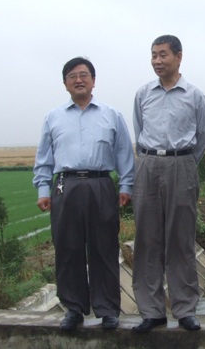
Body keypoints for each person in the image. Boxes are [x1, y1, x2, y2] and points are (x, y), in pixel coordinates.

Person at [33, 57, 135, 331]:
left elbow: (124, 153)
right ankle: (74, 309)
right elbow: (44, 157)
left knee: (104, 247)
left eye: (84, 75)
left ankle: (108, 309)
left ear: (93, 80)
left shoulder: (111, 115)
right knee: (68, 249)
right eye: (72, 76)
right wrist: (43, 189)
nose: (78, 80)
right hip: (65, 186)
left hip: (100, 184)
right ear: (65, 83)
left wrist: (126, 186)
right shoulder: (53, 117)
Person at [131, 35, 205, 332]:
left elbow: (203, 136)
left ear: (179, 57)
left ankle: (185, 308)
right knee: (146, 240)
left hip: (182, 165)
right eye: (153, 55)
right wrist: (151, 160)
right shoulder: (143, 94)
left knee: (181, 239)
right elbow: (139, 131)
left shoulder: (194, 95)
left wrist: (184, 163)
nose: (157, 60)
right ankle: (151, 311)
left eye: (163, 54)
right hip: (148, 165)